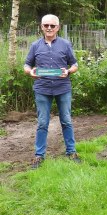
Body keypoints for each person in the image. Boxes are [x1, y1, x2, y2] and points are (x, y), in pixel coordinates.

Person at [24, 14, 80, 169]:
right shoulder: (35, 45)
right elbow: (27, 65)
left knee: (67, 121)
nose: (49, 28)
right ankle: (39, 156)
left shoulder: (65, 44)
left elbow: (75, 64)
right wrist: (30, 72)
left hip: (63, 88)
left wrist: (68, 71)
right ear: (41, 27)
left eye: (52, 26)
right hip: (42, 89)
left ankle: (71, 152)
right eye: (46, 25)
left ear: (58, 27)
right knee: (42, 123)